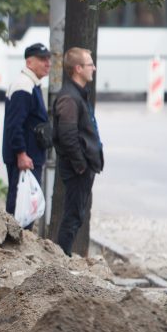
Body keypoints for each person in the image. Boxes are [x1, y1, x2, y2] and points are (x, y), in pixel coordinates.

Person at [53, 46, 104, 257]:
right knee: (72, 217)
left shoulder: (77, 94)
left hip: (82, 167)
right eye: (90, 64)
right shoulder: (69, 98)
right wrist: (81, 165)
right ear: (78, 68)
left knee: (76, 216)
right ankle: (61, 262)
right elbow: (67, 136)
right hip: (77, 169)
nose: (94, 68)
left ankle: (62, 260)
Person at [2, 42, 51, 225]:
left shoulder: (31, 83)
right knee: (19, 208)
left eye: (48, 59)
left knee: (26, 208)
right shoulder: (23, 85)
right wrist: (21, 153)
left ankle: (19, 244)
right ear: (29, 62)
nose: (48, 63)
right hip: (23, 159)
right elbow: (15, 125)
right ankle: (12, 247)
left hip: (29, 157)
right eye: (42, 59)